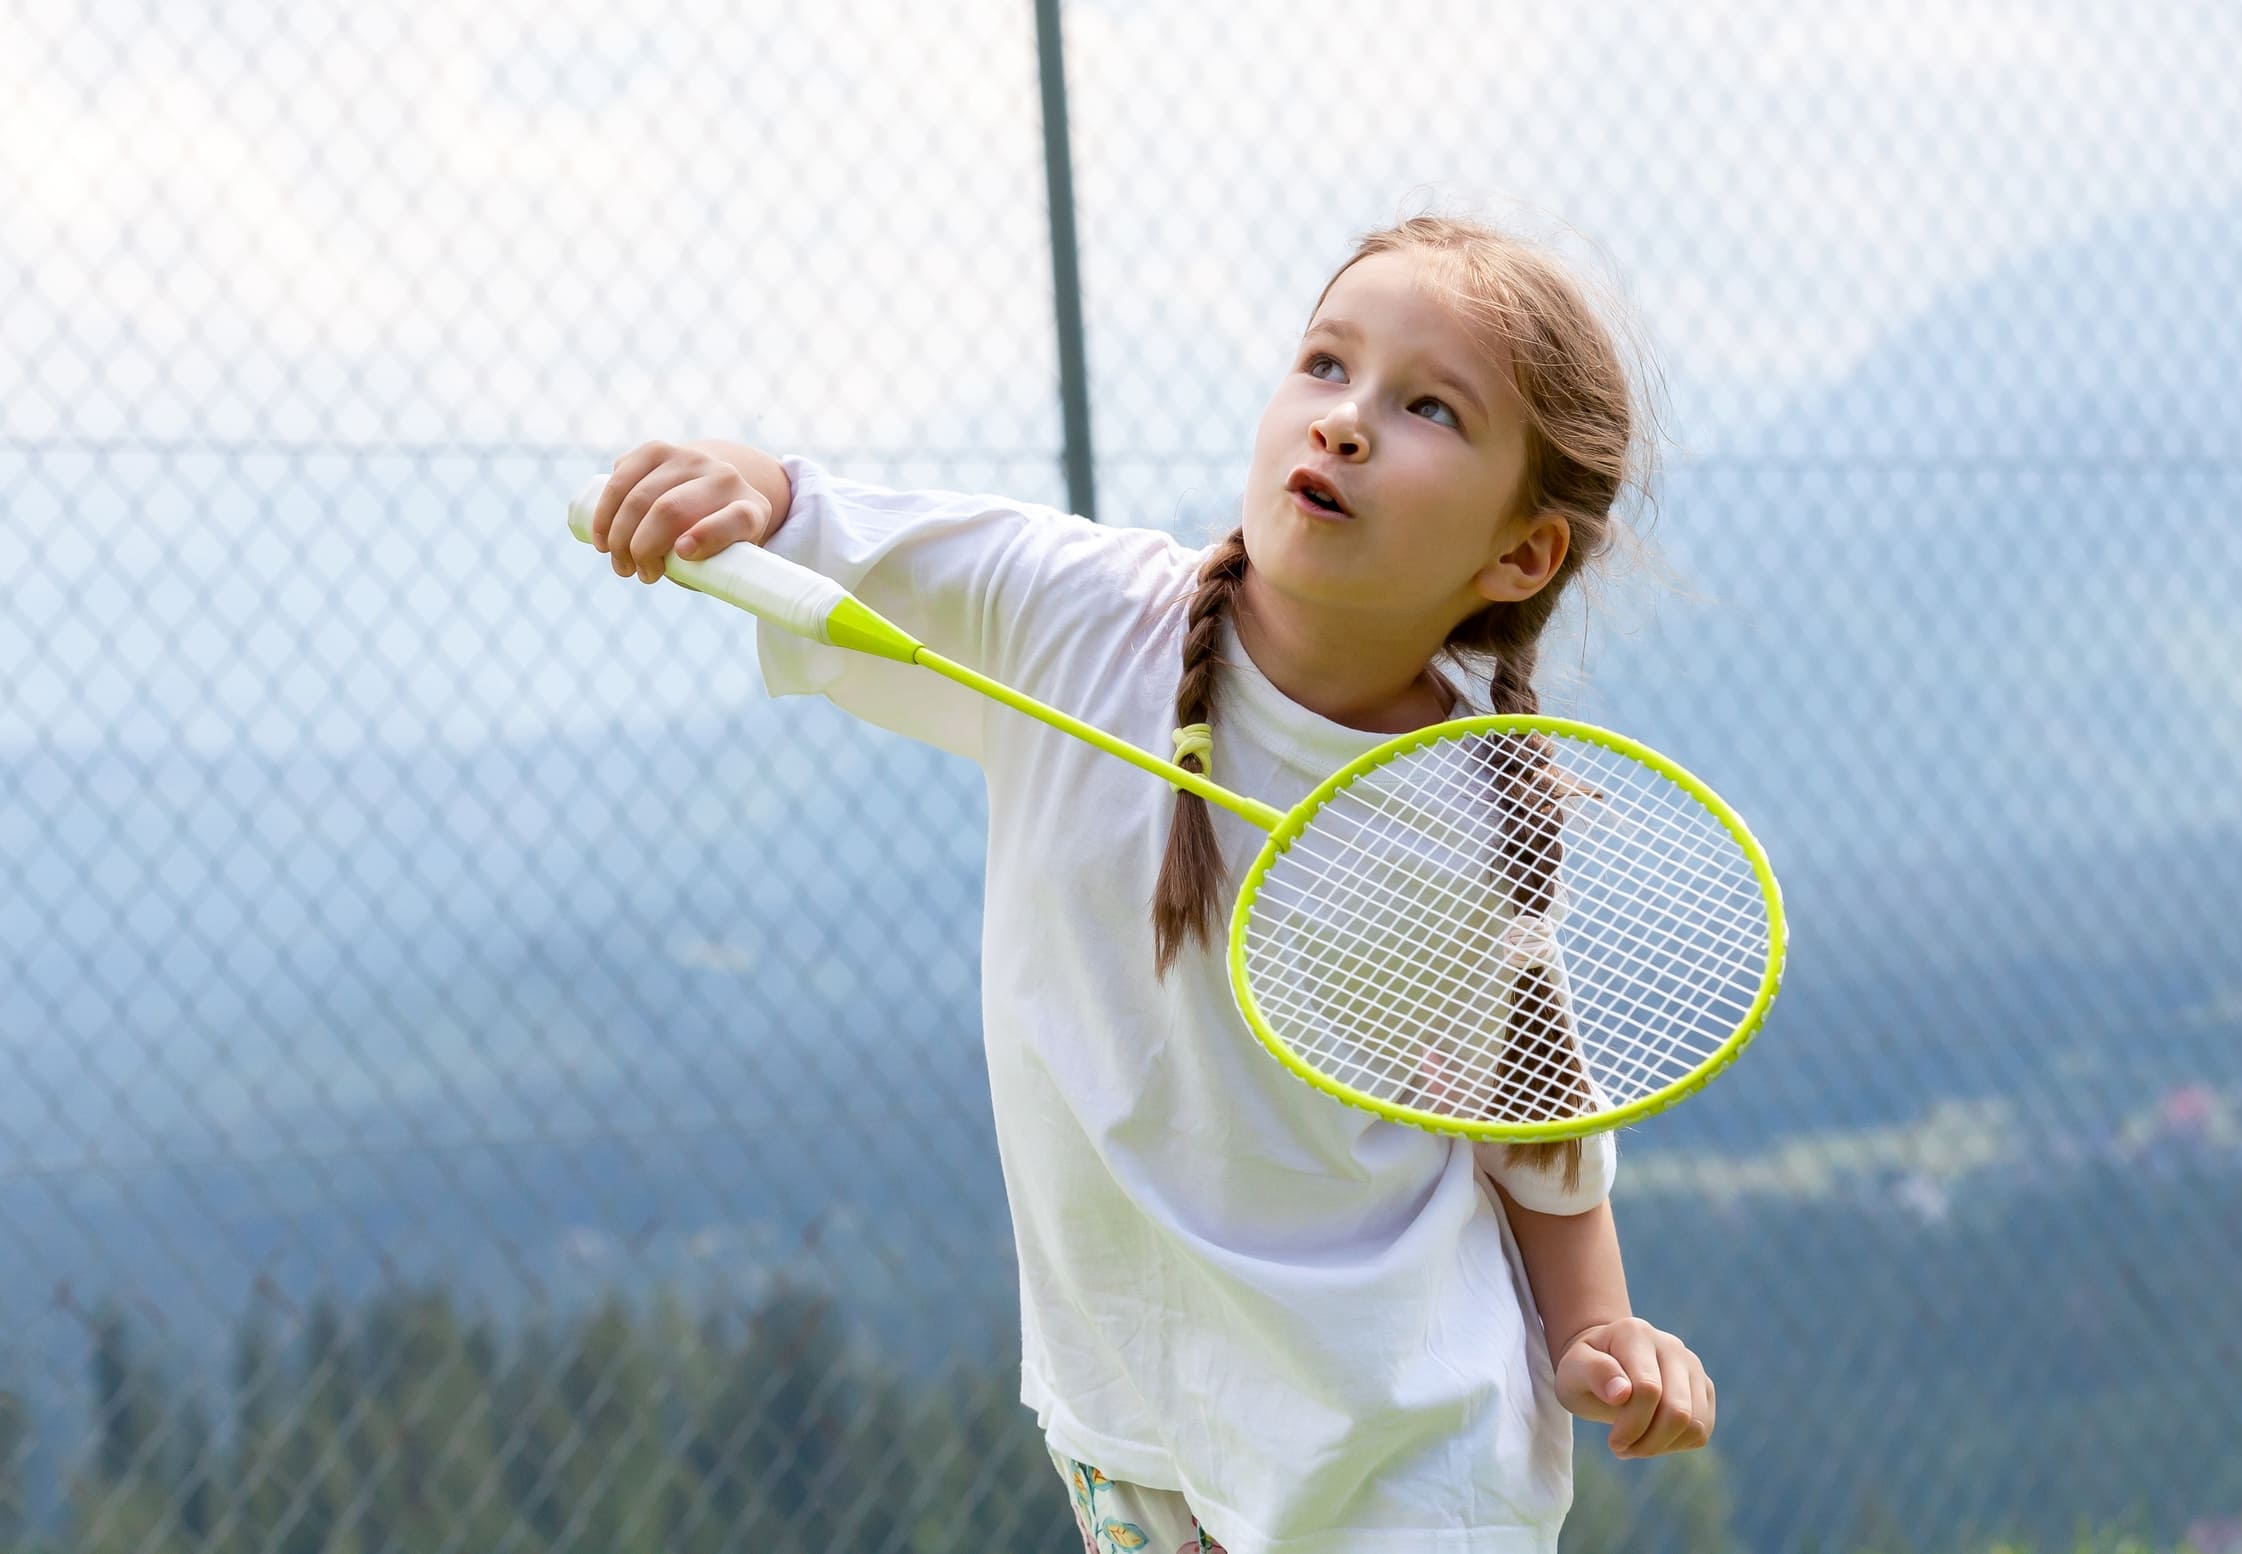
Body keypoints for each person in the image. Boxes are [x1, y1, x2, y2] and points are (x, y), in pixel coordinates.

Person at [589, 212, 1713, 1552]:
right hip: (1135, 1436)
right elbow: (815, 515)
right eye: (1324, 364)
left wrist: (1600, 1332)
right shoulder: (1070, 613)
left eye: (1427, 407)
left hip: (1406, 1448)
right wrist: (736, 484)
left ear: (1521, 553)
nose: (1344, 420)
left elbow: (1533, 1114)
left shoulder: (1473, 812)